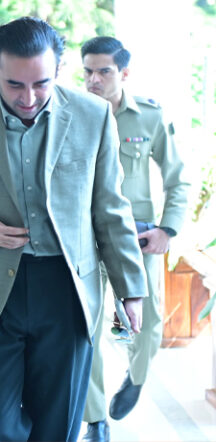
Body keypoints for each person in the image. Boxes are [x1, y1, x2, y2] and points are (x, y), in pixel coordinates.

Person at [0, 17, 149, 441]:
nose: (29, 97)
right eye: (15, 84)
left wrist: (131, 289)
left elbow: (110, 208)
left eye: (41, 83)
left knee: (57, 426)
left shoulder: (93, 116)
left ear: (58, 70)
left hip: (66, 289)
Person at [80, 36, 189, 442]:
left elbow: (179, 179)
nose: (94, 80)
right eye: (87, 71)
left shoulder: (150, 117)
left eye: (103, 71)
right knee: (86, 326)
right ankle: (95, 419)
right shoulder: (72, 113)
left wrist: (167, 229)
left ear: (124, 73)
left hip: (137, 234)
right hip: (84, 234)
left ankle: (137, 376)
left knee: (148, 320)